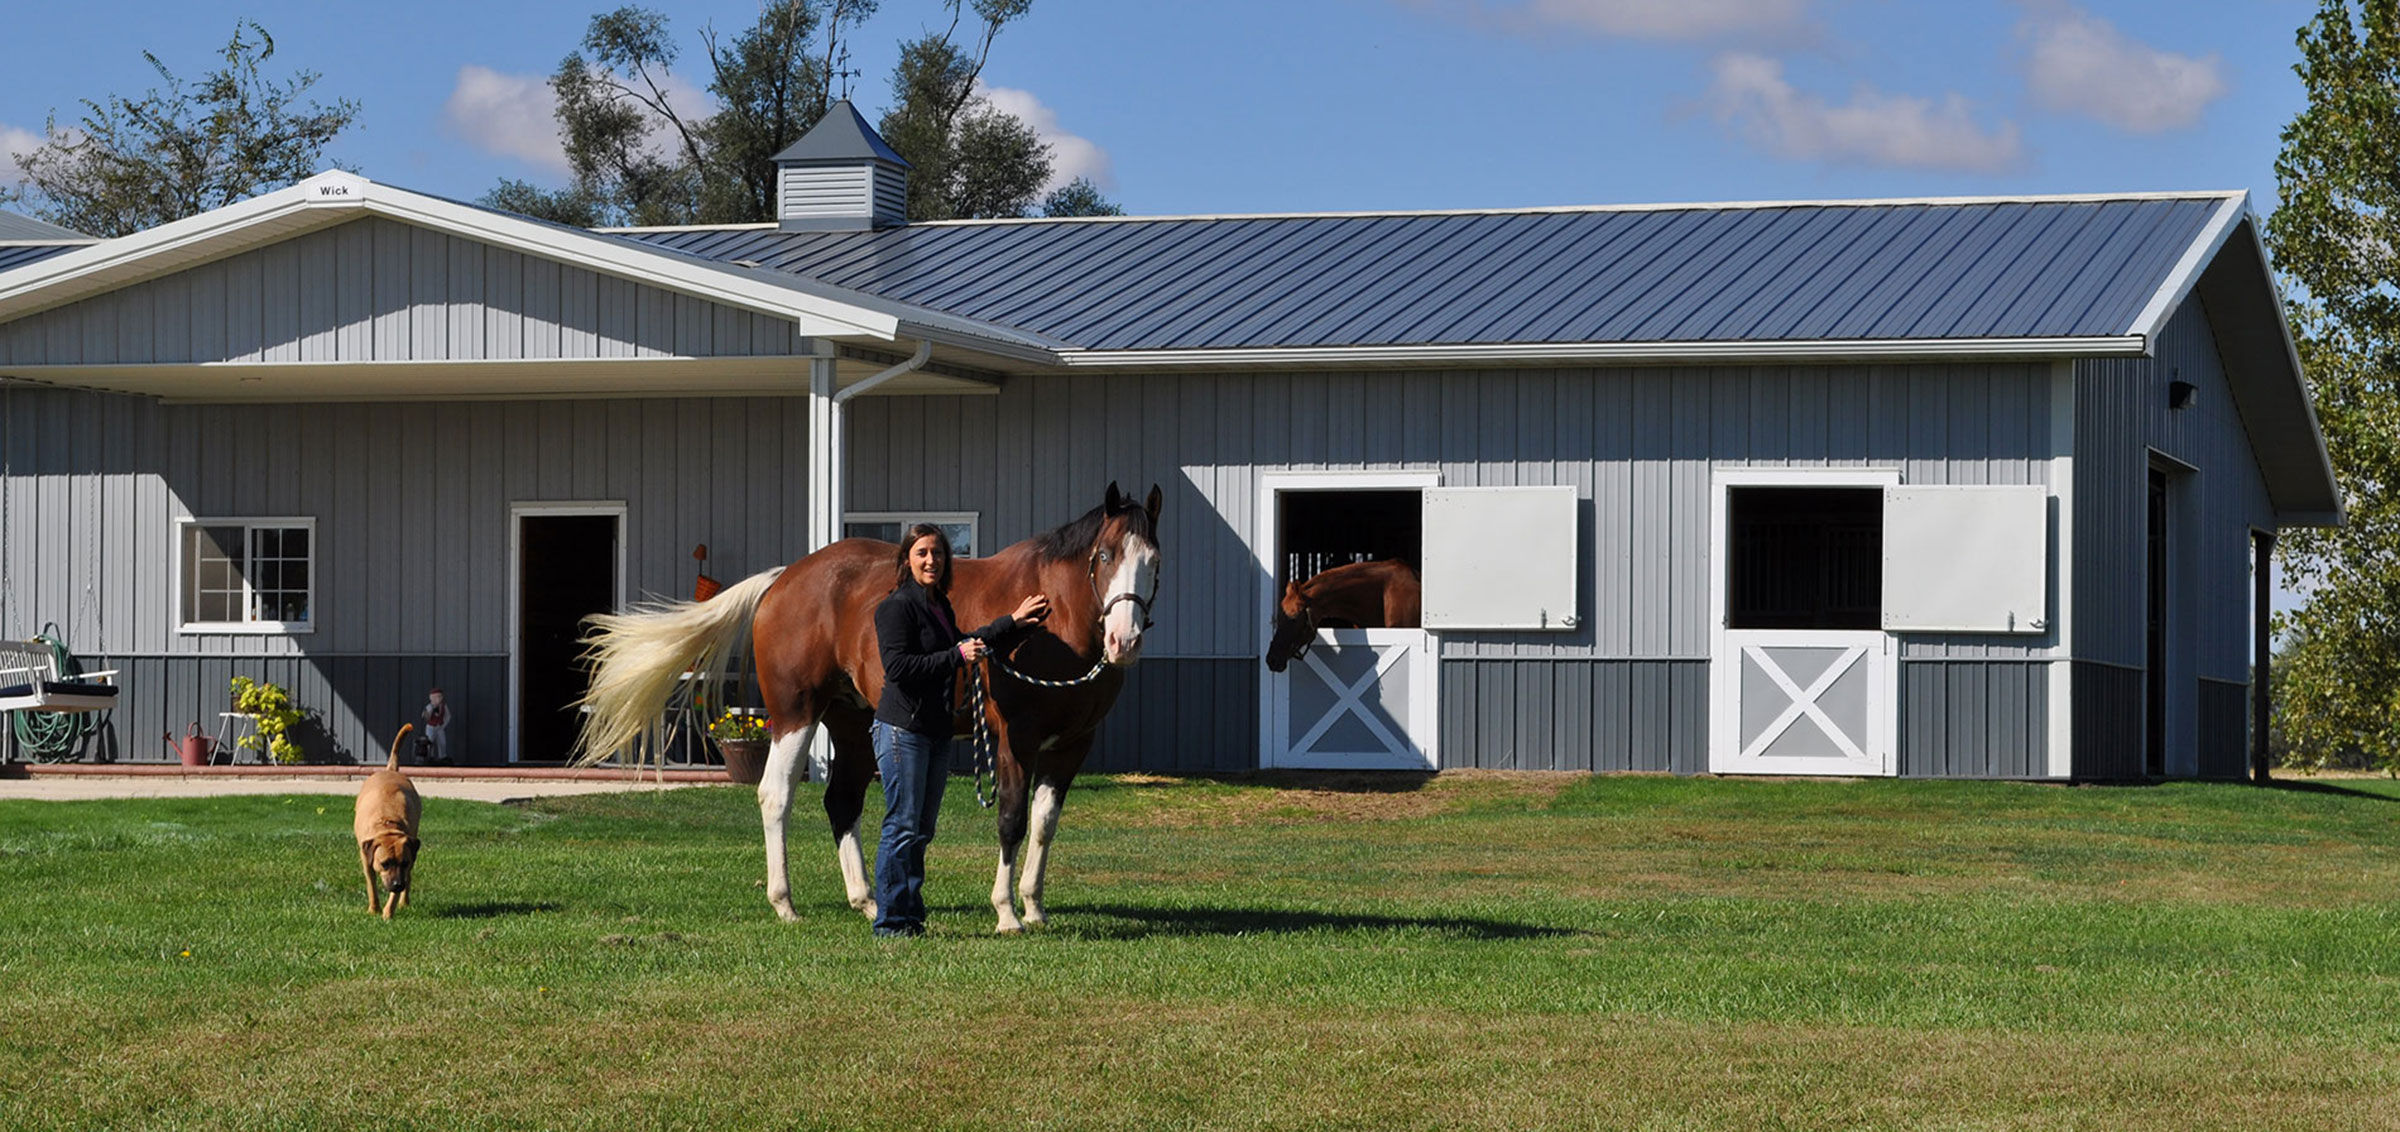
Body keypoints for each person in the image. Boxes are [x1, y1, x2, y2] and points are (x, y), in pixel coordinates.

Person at [870, 524, 1049, 937]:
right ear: (907, 560)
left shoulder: (939, 606)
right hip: (902, 731)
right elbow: (898, 668)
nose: (931, 560)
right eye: (922, 553)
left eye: (938, 553)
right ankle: (891, 923)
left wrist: (1014, 622)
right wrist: (956, 655)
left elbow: (967, 643)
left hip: (934, 731)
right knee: (902, 826)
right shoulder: (895, 608)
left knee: (921, 829)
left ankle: (910, 917)